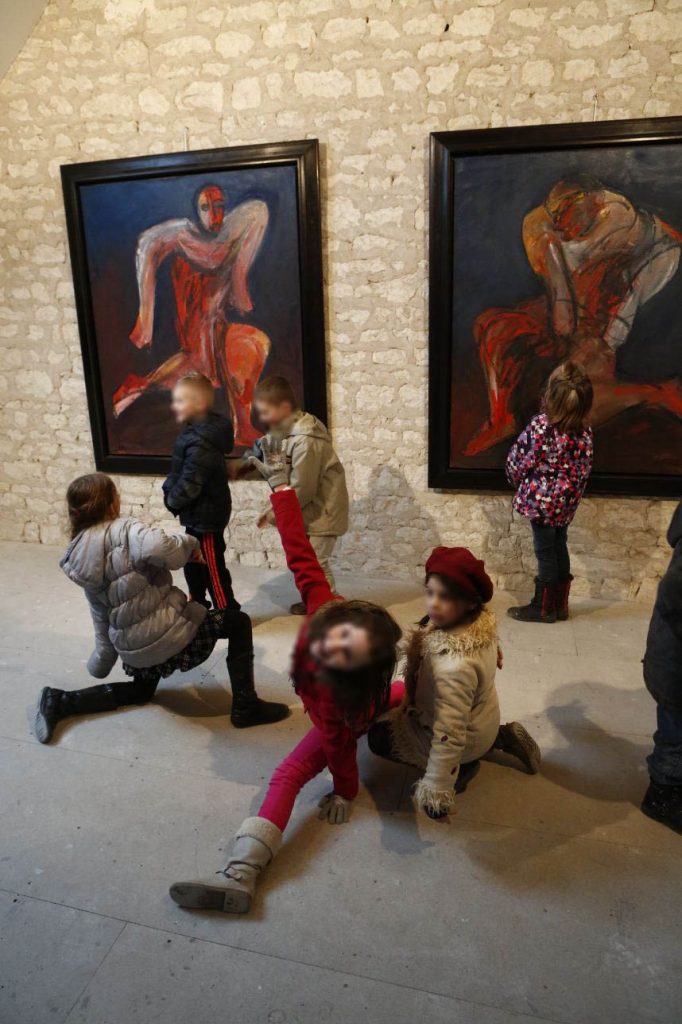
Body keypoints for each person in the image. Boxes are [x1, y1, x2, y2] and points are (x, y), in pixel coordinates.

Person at [169, 440, 401, 914]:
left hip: (355, 713)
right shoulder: (327, 609)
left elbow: (338, 746)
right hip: (373, 696)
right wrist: (279, 485)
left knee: (289, 774)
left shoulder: (334, 700)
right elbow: (299, 551)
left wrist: (345, 790)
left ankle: (243, 871)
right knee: (404, 693)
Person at [33, 473, 288, 743]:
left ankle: (60, 701)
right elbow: (161, 548)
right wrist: (190, 544)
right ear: (111, 505)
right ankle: (246, 706)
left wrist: (103, 660)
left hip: (136, 651)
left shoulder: (81, 556)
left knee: (141, 692)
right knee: (237, 622)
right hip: (169, 634)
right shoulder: (126, 529)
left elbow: (101, 617)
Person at [467, 175, 682, 457]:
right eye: (558, 216)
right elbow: (562, 304)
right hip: (567, 308)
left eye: (569, 213)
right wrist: (567, 330)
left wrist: (590, 342)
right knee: (493, 326)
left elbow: (617, 316)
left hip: (605, 316)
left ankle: (655, 392)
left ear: (595, 201)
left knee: (572, 391)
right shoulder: (541, 229)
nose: (563, 224)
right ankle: (502, 419)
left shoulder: (642, 242)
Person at [367, 547, 541, 819]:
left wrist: (438, 787)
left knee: (377, 739)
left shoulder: (453, 667)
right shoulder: (476, 623)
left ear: (470, 602)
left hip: (463, 740)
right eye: (430, 592)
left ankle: (465, 769)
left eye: (444, 597)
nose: (432, 604)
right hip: (483, 719)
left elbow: (449, 732)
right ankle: (500, 736)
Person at [113, 185, 270, 447]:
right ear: (196, 211)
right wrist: (145, 320)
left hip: (215, 317)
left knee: (243, 351)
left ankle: (141, 385)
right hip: (199, 320)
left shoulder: (235, 231)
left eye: (219, 206)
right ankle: (241, 426)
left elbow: (257, 217)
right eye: (206, 207)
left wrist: (240, 288)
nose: (214, 214)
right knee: (244, 349)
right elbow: (147, 247)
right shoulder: (182, 236)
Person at [251, 375, 349, 614]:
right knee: (309, 560)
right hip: (311, 511)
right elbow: (282, 476)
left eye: (265, 412)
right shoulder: (287, 435)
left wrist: (274, 514)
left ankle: (327, 610)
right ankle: (315, 602)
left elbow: (302, 489)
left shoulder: (306, 440)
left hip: (321, 512)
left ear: (284, 408)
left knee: (316, 563)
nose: (262, 418)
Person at [505, 362, 593, 623]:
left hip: (541, 504)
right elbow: (584, 468)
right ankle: (560, 606)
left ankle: (542, 607)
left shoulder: (542, 427)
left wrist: (517, 481)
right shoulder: (585, 430)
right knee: (559, 546)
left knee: (545, 552)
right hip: (566, 504)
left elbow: (519, 460)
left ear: (550, 396)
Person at [163, 371, 238, 611]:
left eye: (180, 400)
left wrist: (172, 500)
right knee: (193, 560)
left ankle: (227, 612)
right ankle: (197, 602)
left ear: (200, 403)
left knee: (211, 565)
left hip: (206, 516)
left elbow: (190, 482)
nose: (174, 406)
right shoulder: (194, 432)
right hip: (197, 514)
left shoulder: (201, 441)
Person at [641, 501, 682, 834]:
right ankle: (663, 791)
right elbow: (674, 593)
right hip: (676, 655)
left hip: (671, 652)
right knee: (675, 729)